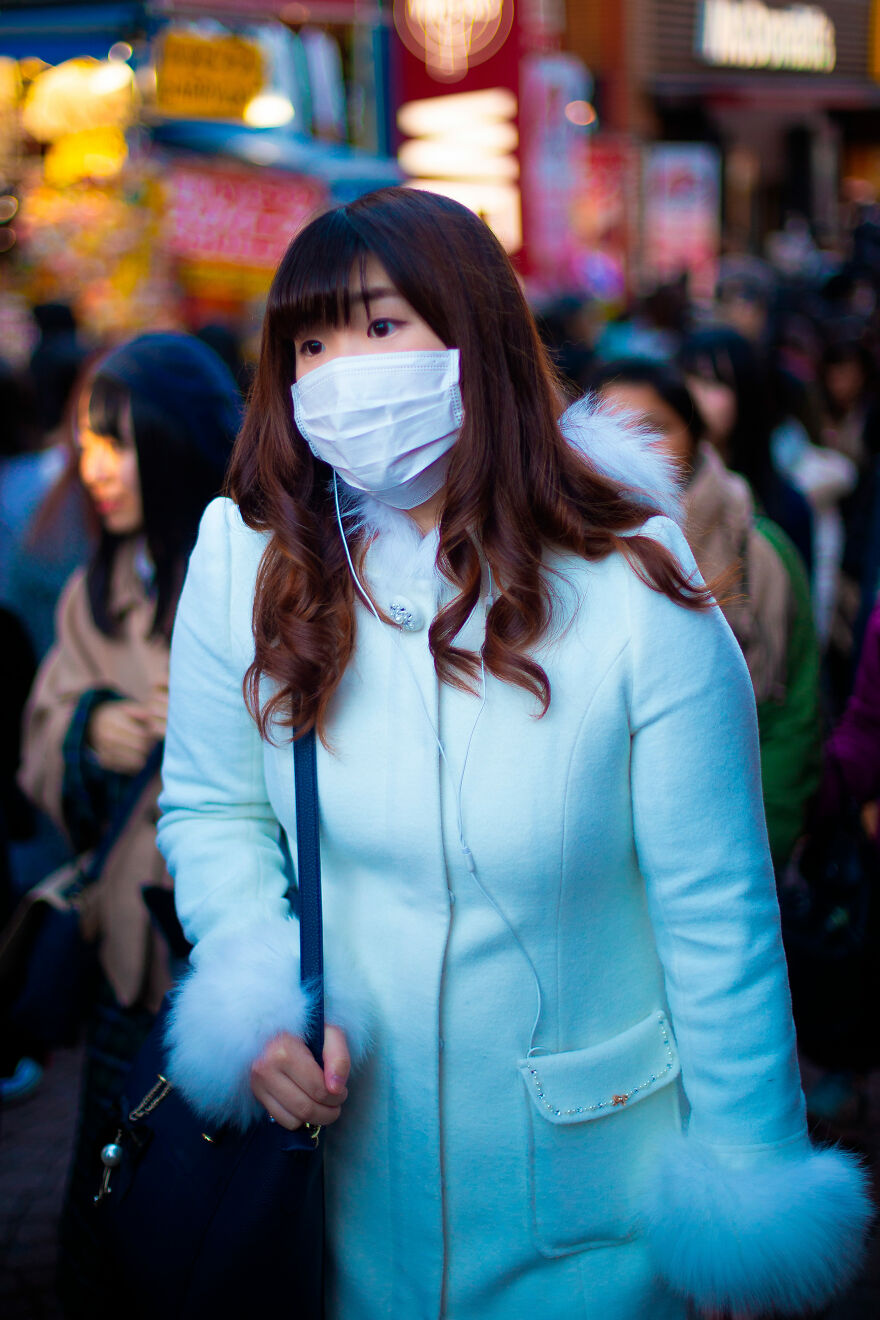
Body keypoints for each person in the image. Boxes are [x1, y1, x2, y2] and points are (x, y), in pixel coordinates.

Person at [157, 188, 870, 1320]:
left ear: (473, 336)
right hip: (336, 1200)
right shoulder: (249, 559)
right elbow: (209, 807)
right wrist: (256, 996)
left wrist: (745, 1177)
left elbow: (715, 908)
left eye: (381, 327)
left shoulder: (633, 582)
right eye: (309, 340)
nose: (341, 368)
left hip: (595, 1208)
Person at [17, 333, 241, 1316]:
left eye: (117, 441)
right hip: (122, 966)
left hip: (231, 968)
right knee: (109, 1210)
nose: (94, 467)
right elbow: (36, 735)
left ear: (181, 441)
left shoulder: (253, 579)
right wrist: (85, 731)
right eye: (83, 442)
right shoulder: (93, 591)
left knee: (221, 1220)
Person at [592, 357, 822, 870]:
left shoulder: (760, 553)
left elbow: (795, 712)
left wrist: (762, 842)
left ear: (694, 440)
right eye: (608, 430)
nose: (629, 448)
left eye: (652, 429)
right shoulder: (551, 560)